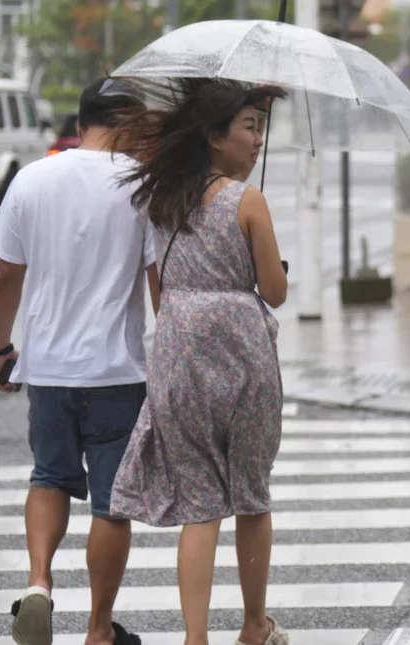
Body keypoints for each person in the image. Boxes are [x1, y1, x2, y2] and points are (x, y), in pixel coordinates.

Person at [107, 78, 290, 645]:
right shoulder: (247, 201)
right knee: (251, 495)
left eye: (259, 128)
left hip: (177, 347)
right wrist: (271, 262)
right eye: (249, 128)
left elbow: (161, 287)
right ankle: (255, 625)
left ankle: (195, 637)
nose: (257, 141)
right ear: (214, 135)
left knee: (200, 505)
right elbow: (275, 290)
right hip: (241, 350)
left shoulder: (162, 197)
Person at [0, 79, 155, 645]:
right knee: (111, 504)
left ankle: (38, 583)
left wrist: (1, 347)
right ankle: (99, 629)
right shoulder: (141, 186)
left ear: (83, 120)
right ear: (127, 121)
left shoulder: (33, 178)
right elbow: (159, 283)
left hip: (47, 369)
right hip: (115, 372)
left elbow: (8, 275)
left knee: (49, 477)